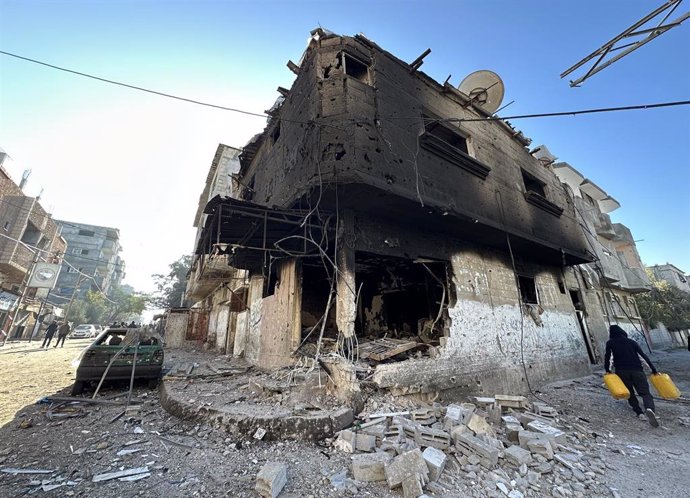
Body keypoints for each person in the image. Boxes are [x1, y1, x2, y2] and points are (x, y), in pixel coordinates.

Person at [604, 324, 659, 427]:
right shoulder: (632, 342)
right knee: (645, 393)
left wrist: (608, 370)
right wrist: (653, 369)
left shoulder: (610, 343)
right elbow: (643, 357)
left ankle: (639, 413)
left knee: (630, 393)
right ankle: (649, 409)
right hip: (637, 371)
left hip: (622, 372)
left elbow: (609, 358)